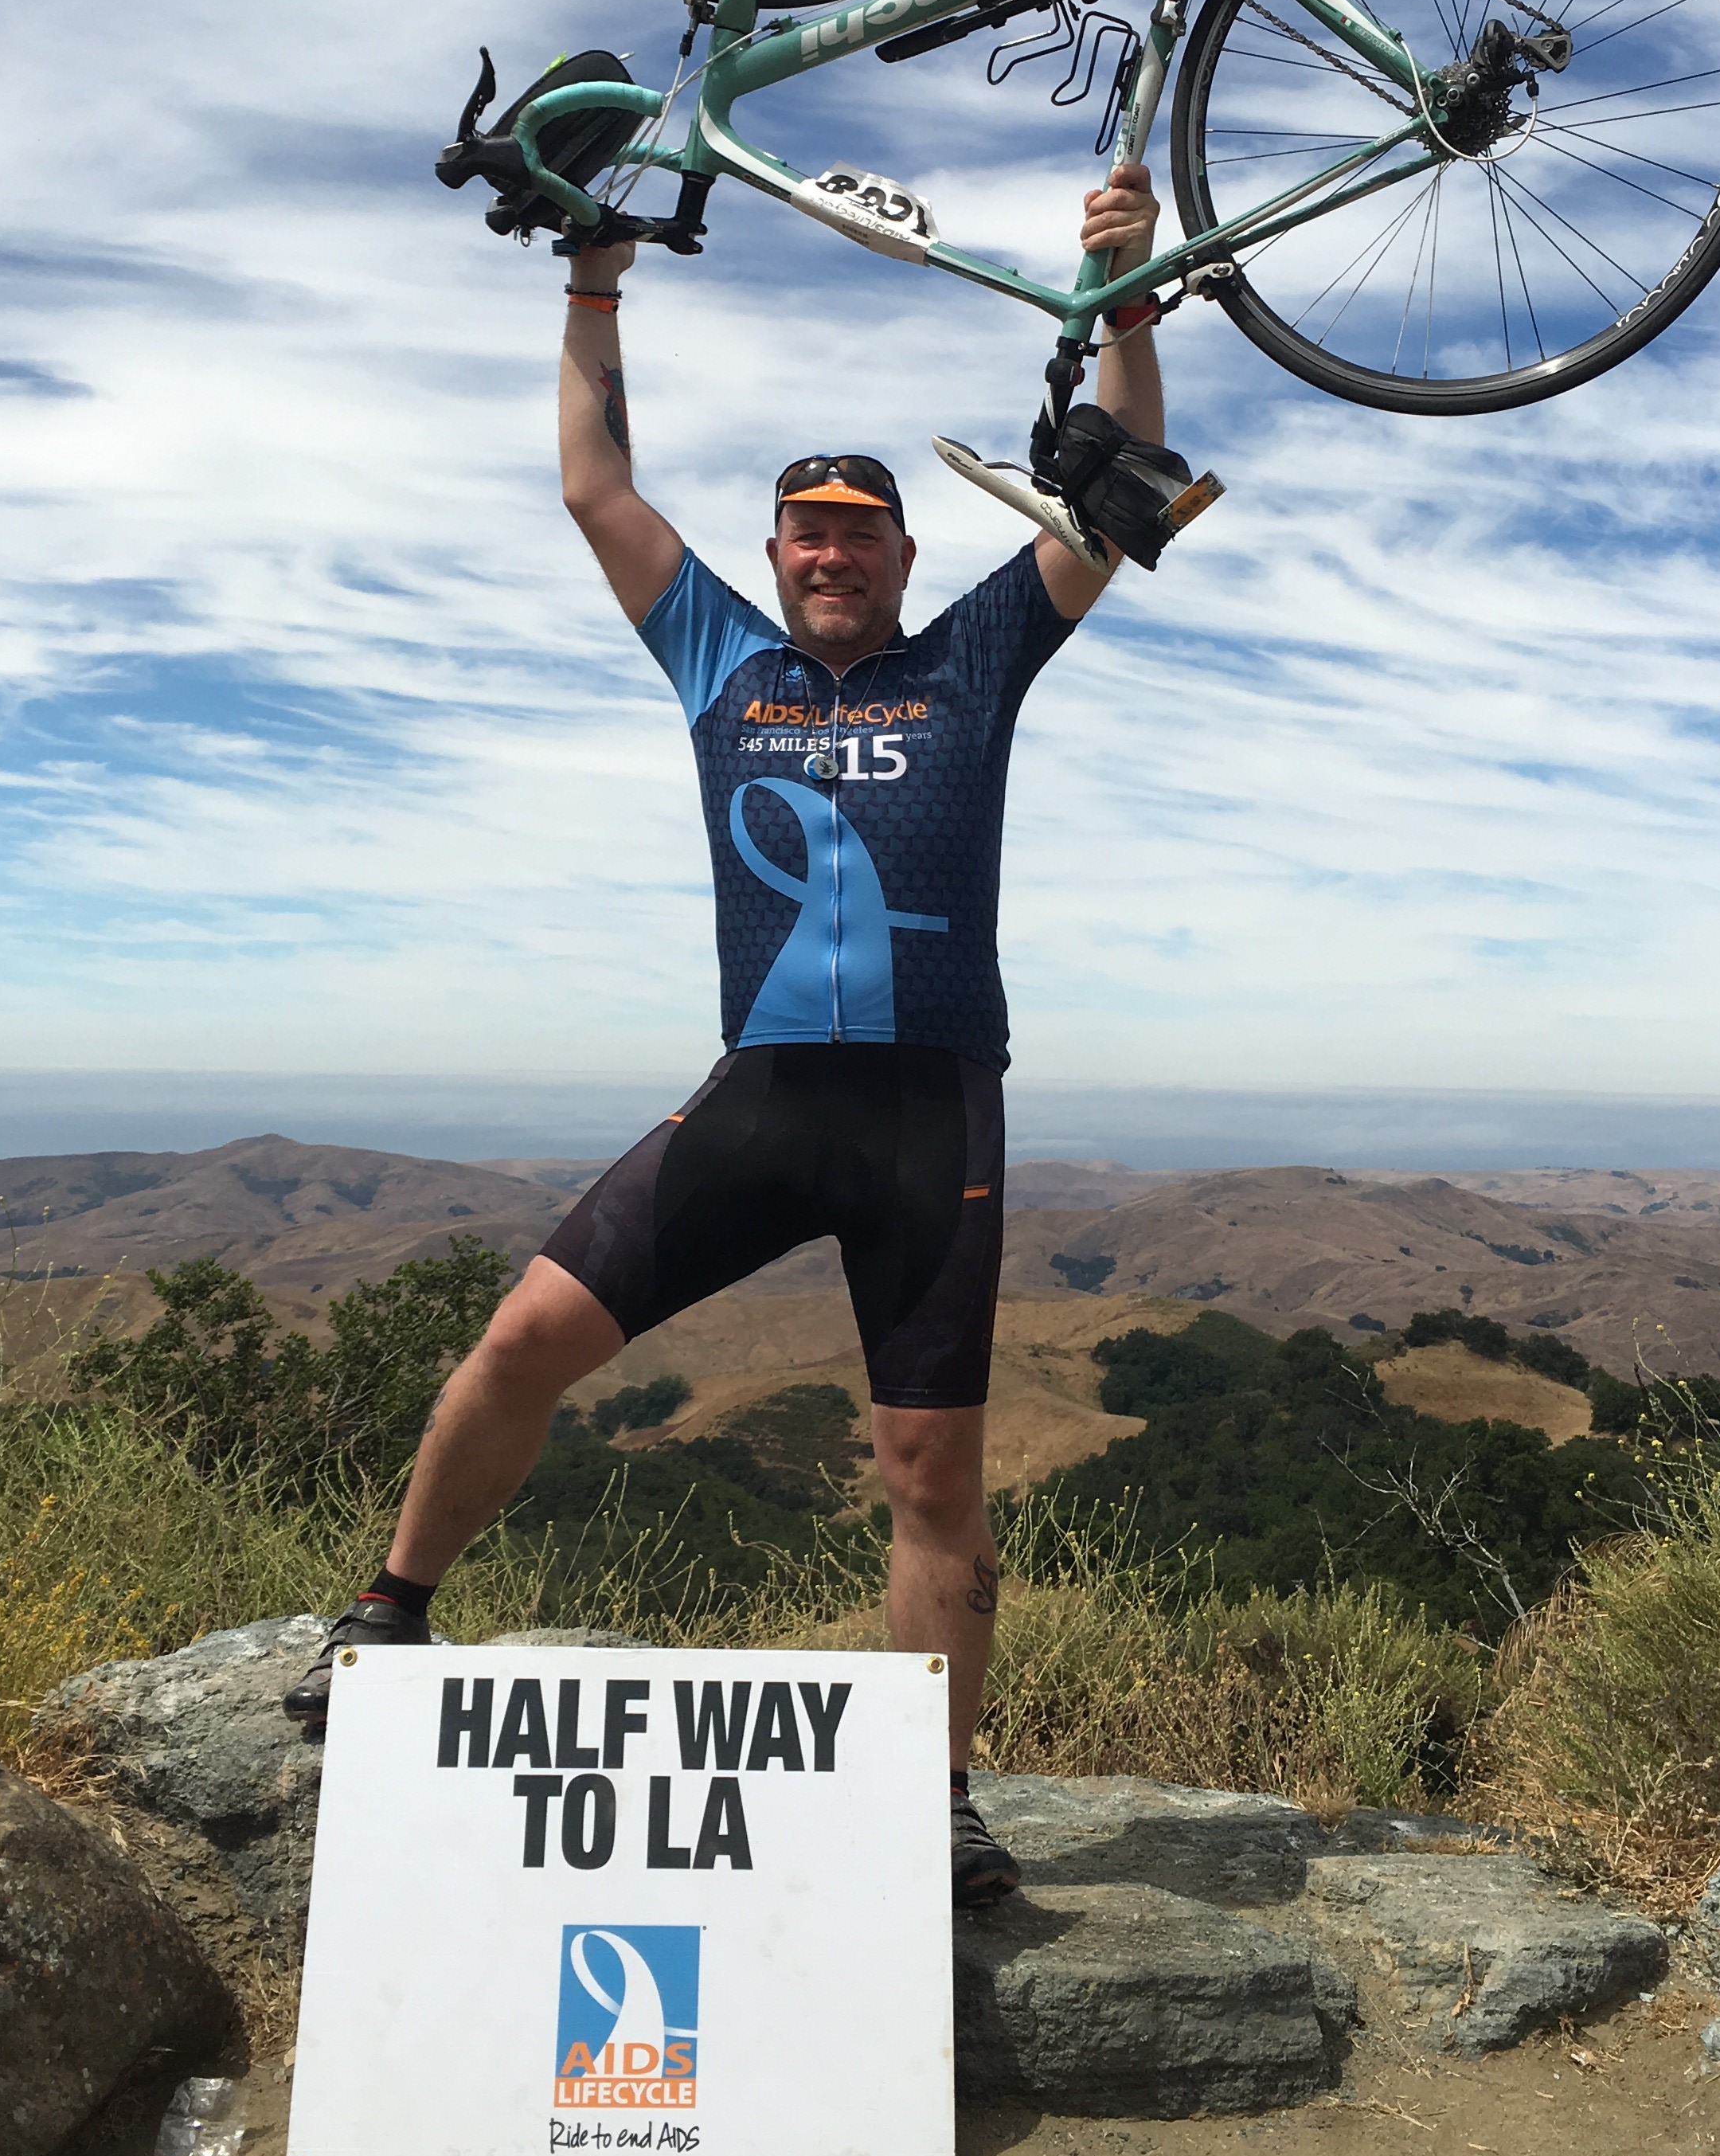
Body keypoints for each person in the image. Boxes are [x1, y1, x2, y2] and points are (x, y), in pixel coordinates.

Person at [286, 162, 1173, 1907]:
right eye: (807, 532)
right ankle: (388, 1608)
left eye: (861, 531)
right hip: (762, 1101)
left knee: (930, 1468)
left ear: (907, 558)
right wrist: (596, 284)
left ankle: (938, 1801)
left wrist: (1124, 296)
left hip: (931, 1113)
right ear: (776, 558)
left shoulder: (974, 663)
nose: (833, 553)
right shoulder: (721, 664)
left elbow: (1128, 500)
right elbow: (594, 482)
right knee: (526, 1337)